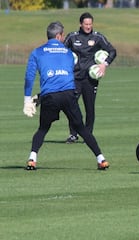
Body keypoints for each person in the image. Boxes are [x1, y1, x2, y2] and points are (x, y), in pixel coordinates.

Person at [23, 21, 109, 171]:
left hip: (50, 96)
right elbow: (66, 76)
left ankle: (32, 159)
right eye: (62, 35)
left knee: (43, 129)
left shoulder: (37, 52)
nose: (63, 38)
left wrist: (28, 100)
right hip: (69, 94)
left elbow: (29, 77)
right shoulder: (69, 54)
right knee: (81, 128)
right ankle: (101, 159)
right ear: (58, 36)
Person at [64, 12, 117, 143]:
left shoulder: (98, 37)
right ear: (80, 24)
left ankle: (88, 134)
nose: (88, 26)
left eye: (90, 24)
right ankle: (73, 134)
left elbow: (113, 51)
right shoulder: (72, 37)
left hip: (90, 78)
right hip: (74, 78)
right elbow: (62, 51)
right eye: (86, 24)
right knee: (72, 106)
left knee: (89, 107)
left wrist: (104, 64)